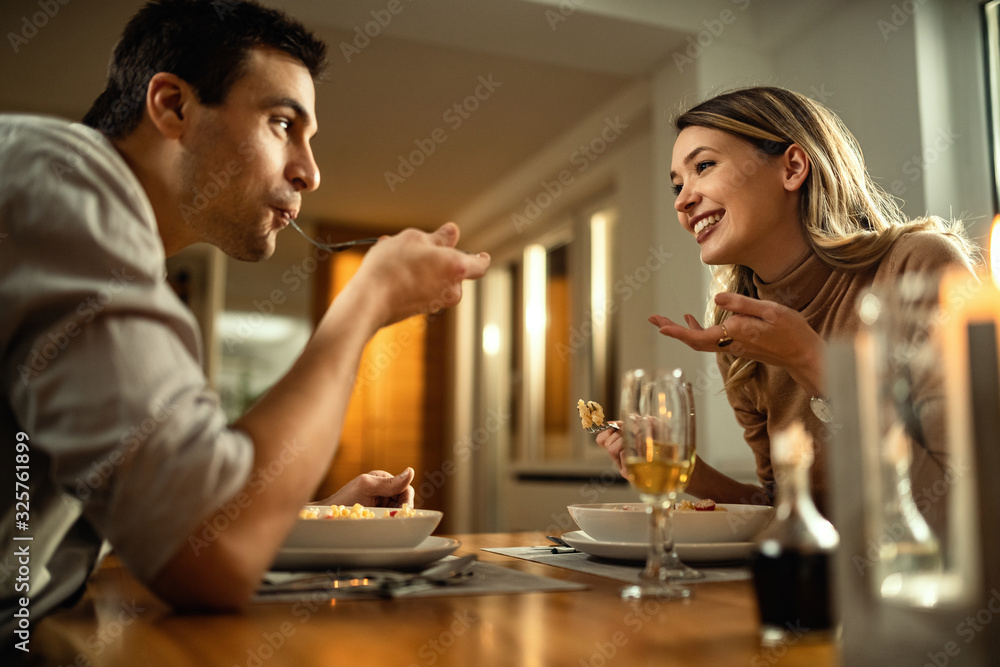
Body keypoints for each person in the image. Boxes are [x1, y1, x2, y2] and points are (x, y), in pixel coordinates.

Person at [0, 0, 489, 630]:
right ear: (173, 105)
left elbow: (154, 518)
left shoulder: (97, 228)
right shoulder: (66, 188)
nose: (310, 171)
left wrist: (302, 517)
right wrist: (363, 305)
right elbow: (211, 558)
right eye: (283, 123)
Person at [597, 86, 977, 519]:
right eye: (677, 186)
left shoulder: (916, 267)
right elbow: (785, 510)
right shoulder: (739, 332)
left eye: (703, 166)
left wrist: (810, 360)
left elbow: (965, 498)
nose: (683, 200)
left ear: (793, 168)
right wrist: (685, 470)